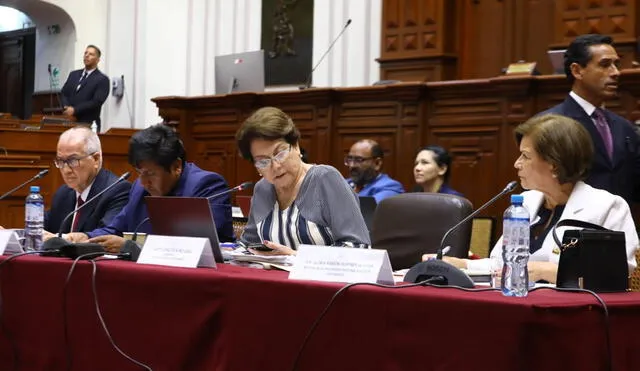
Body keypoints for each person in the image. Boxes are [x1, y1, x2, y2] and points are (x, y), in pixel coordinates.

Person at [424, 114, 638, 283]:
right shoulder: (525, 202)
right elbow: (502, 264)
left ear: (554, 164)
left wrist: (549, 271)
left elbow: (618, 274)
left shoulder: (607, 206)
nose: (517, 164)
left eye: (525, 156)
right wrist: (461, 265)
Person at [65, 124, 234, 252]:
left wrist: (130, 246)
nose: (144, 182)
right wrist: (85, 237)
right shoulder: (140, 188)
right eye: (139, 172)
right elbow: (116, 228)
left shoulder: (207, 186)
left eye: (150, 173)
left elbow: (196, 246)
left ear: (176, 166)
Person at [236, 106, 370, 255]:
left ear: (296, 146)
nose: (275, 166)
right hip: (274, 277)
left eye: (280, 154)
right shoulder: (263, 188)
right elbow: (248, 245)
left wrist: (295, 256)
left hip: (322, 278)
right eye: (262, 162)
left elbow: (358, 247)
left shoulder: (325, 179)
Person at [539, 34, 640, 207]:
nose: (616, 72)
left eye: (616, 64)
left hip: (621, 229)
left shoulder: (625, 128)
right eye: (605, 64)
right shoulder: (548, 125)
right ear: (577, 70)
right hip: (571, 228)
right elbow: (539, 190)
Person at [44, 127, 130, 238]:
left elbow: (109, 234)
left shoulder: (117, 191)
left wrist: (65, 239)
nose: (66, 170)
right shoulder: (63, 193)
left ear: (95, 159)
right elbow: (43, 226)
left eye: (73, 160)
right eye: (61, 161)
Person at [60, 45, 110, 131]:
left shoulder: (102, 79)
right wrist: (66, 107)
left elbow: (96, 101)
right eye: (85, 53)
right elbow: (64, 93)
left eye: (91, 54)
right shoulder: (73, 74)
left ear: (98, 60)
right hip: (69, 122)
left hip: (88, 124)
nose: (87, 55)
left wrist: (75, 110)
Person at [345, 139, 404, 203]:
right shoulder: (344, 183)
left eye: (359, 160)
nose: (351, 165)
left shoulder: (391, 187)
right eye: (349, 159)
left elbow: (366, 209)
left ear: (377, 163)